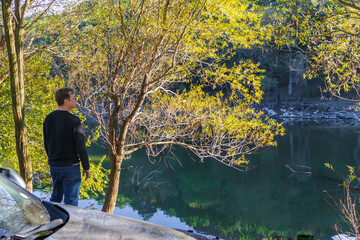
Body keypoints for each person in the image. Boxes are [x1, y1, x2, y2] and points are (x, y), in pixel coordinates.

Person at [43, 87, 90, 206]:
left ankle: (53, 220)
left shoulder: (48, 118)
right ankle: (69, 224)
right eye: (74, 98)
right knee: (71, 201)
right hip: (70, 167)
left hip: (54, 165)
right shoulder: (74, 120)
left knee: (56, 196)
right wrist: (86, 166)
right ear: (66, 101)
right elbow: (81, 146)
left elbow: (46, 143)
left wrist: (52, 159)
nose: (76, 100)